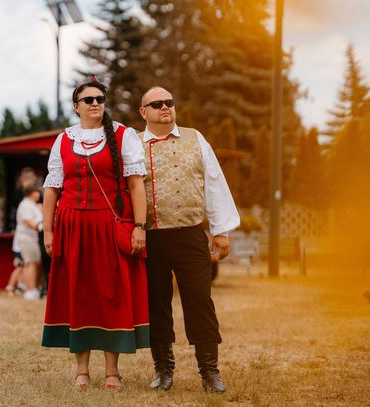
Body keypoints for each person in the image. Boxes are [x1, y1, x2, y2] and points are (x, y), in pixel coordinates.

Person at [41, 79, 149, 391]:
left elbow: (135, 185)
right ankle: (82, 371)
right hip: (72, 227)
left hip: (108, 226)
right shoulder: (64, 140)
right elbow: (52, 189)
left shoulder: (123, 135)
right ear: (76, 106)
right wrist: (48, 230)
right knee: (79, 295)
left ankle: (112, 371)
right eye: (88, 100)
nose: (95, 104)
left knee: (111, 295)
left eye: (100, 99)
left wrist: (139, 226)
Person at [138, 86, 240, 393]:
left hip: (191, 234)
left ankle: (210, 372)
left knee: (200, 301)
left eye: (169, 102)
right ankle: (163, 370)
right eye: (157, 104)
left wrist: (220, 231)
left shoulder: (195, 138)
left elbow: (214, 182)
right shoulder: (133, 144)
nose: (165, 107)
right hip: (151, 237)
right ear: (144, 112)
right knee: (156, 303)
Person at [13, 186, 43, 300]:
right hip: (27, 237)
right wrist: (39, 227)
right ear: (32, 193)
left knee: (32, 263)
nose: (39, 194)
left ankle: (31, 288)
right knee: (30, 263)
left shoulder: (33, 205)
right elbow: (28, 220)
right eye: (37, 192)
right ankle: (30, 290)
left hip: (32, 238)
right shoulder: (26, 204)